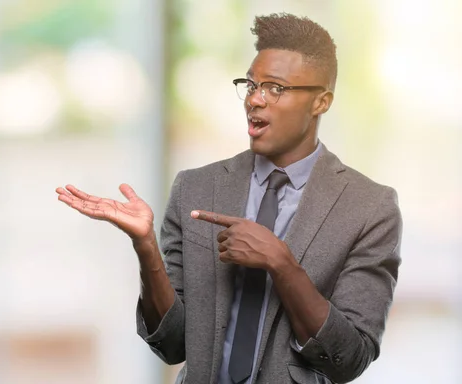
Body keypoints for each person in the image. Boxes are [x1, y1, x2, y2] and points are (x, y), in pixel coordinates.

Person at [56, 12, 402, 384]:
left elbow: (350, 358)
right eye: (251, 84)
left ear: (321, 102)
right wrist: (145, 246)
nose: (255, 99)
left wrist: (281, 264)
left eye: (275, 88)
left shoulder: (369, 208)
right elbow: (172, 344)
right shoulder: (196, 188)